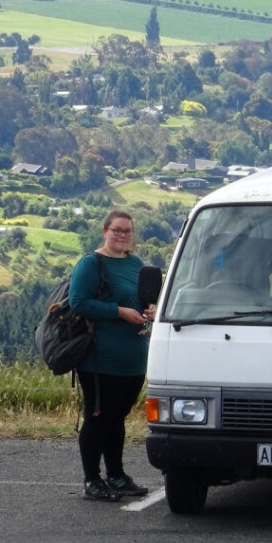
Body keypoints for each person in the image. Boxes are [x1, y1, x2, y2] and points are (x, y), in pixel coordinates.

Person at [68, 209, 155, 502]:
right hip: (99, 360)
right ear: (105, 231)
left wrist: (151, 309)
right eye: (117, 230)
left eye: (127, 231)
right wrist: (117, 312)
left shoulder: (135, 264)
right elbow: (78, 302)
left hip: (132, 359)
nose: (122, 235)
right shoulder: (91, 263)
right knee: (97, 418)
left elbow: (145, 299)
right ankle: (92, 480)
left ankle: (116, 476)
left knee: (117, 418)